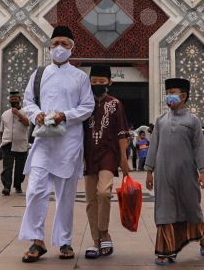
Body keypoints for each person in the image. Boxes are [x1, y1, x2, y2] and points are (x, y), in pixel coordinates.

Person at [18, 25, 94, 263]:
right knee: (35, 190)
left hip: (69, 143)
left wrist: (65, 115)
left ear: (73, 48)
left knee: (66, 195)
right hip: (43, 141)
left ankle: (64, 241)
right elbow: (28, 101)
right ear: (49, 47)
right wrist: (36, 114)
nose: (59, 48)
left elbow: (87, 107)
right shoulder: (39, 74)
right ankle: (36, 241)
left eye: (65, 44)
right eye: (55, 44)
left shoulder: (80, 77)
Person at [145, 77, 204, 266]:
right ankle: (167, 250)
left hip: (186, 173)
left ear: (183, 96)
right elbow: (154, 146)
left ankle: (203, 237)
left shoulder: (193, 121)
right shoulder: (160, 121)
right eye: (167, 93)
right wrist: (149, 171)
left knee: (191, 209)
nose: (169, 97)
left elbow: (199, 147)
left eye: (173, 93)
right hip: (163, 174)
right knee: (165, 210)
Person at [81, 64, 131, 260]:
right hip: (88, 155)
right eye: (94, 82)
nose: (98, 85)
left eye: (102, 82)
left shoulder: (116, 104)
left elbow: (121, 133)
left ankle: (104, 232)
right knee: (91, 200)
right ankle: (95, 241)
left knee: (103, 192)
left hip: (109, 155)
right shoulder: (84, 104)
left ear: (110, 82)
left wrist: (124, 159)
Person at [0, 90, 30, 196]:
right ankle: (6, 187)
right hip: (7, 143)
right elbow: (2, 130)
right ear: (9, 101)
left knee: (20, 167)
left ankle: (18, 185)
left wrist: (18, 113)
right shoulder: (5, 114)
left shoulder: (26, 112)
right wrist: (0, 145)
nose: (14, 101)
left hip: (21, 143)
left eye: (16, 99)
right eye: (12, 100)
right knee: (7, 166)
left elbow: (27, 123)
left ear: (19, 100)